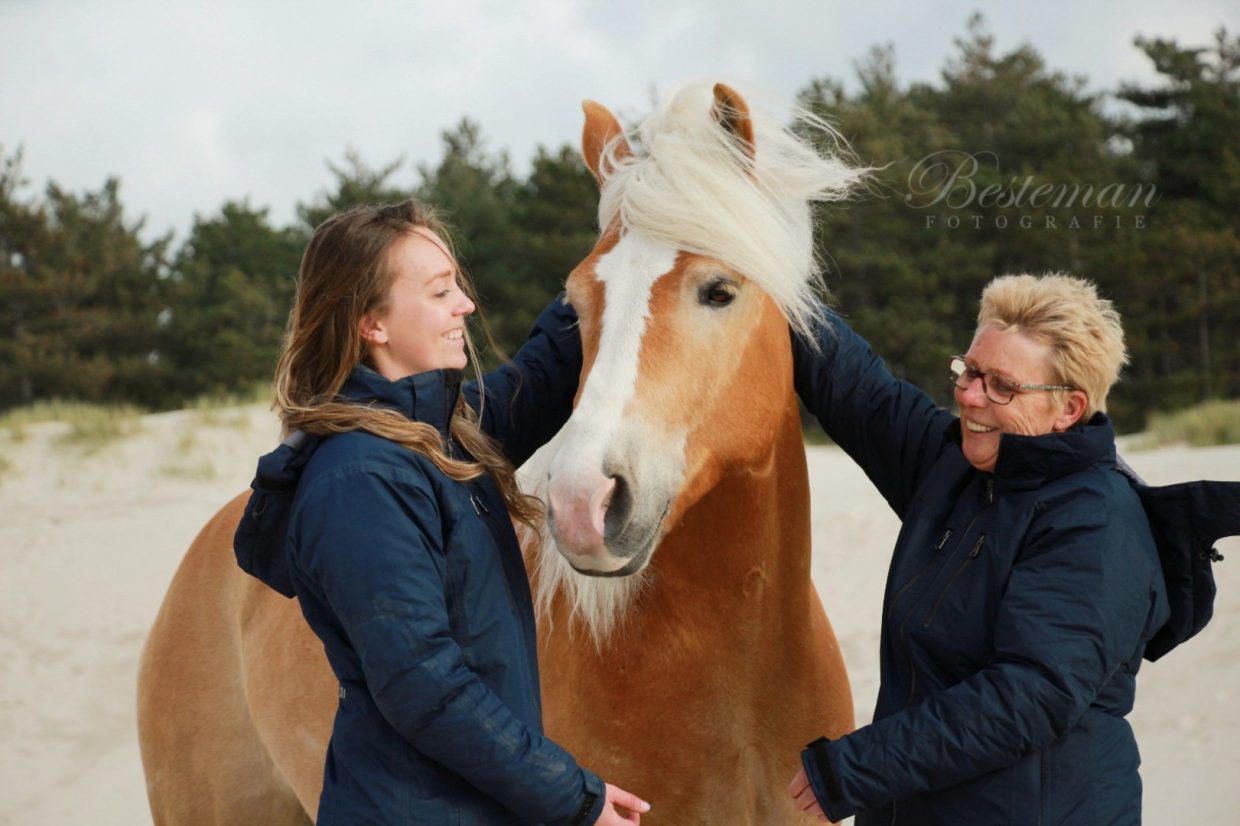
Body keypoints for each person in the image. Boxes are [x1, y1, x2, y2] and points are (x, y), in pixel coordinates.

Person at [236, 200, 648, 825]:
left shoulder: (435, 435)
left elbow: (534, 381)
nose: (466, 305)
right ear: (372, 322)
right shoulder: (360, 480)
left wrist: (626, 255)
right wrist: (573, 798)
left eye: (458, 284)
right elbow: (424, 686)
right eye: (439, 291)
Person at [786, 273, 1195, 824]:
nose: (971, 396)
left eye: (1002, 385)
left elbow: (1028, 696)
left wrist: (854, 770)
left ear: (1069, 408)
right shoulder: (958, 466)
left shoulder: (1096, 522)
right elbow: (863, 394)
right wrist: (771, 277)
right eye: (969, 371)